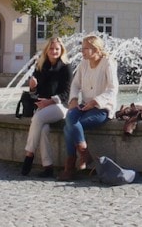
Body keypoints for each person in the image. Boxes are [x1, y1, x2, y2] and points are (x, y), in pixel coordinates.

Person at [59, 35, 118, 181]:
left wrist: (95, 102)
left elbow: (113, 89)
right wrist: (73, 99)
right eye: (82, 48)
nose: (82, 51)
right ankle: (84, 153)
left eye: (85, 48)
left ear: (96, 49)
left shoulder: (107, 63)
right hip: (85, 106)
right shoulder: (83, 63)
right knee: (70, 116)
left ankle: (70, 166)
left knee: (69, 127)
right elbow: (75, 84)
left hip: (102, 108)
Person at [21, 37, 72, 178]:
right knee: (43, 129)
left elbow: (66, 94)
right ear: (46, 50)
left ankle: (29, 154)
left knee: (37, 117)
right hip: (43, 107)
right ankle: (48, 167)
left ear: (61, 50)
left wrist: (49, 102)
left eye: (57, 49)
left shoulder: (66, 67)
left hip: (60, 107)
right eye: (51, 48)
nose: (54, 51)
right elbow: (34, 94)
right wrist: (32, 87)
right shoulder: (40, 65)